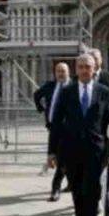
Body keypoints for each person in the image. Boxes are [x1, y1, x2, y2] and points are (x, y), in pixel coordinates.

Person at [47, 53, 109, 216]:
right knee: (77, 192)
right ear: (76, 70)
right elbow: (56, 123)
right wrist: (51, 151)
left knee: (92, 193)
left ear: (95, 69)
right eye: (81, 67)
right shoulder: (66, 92)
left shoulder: (104, 92)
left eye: (88, 67)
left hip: (95, 152)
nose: (85, 70)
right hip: (71, 151)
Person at [34, 62, 71, 202]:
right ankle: (60, 187)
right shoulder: (50, 85)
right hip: (53, 127)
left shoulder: (73, 87)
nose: (61, 73)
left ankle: (56, 188)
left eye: (63, 71)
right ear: (55, 73)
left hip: (69, 129)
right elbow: (37, 94)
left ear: (68, 72)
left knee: (62, 159)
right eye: (58, 71)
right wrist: (41, 109)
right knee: (59, 157)